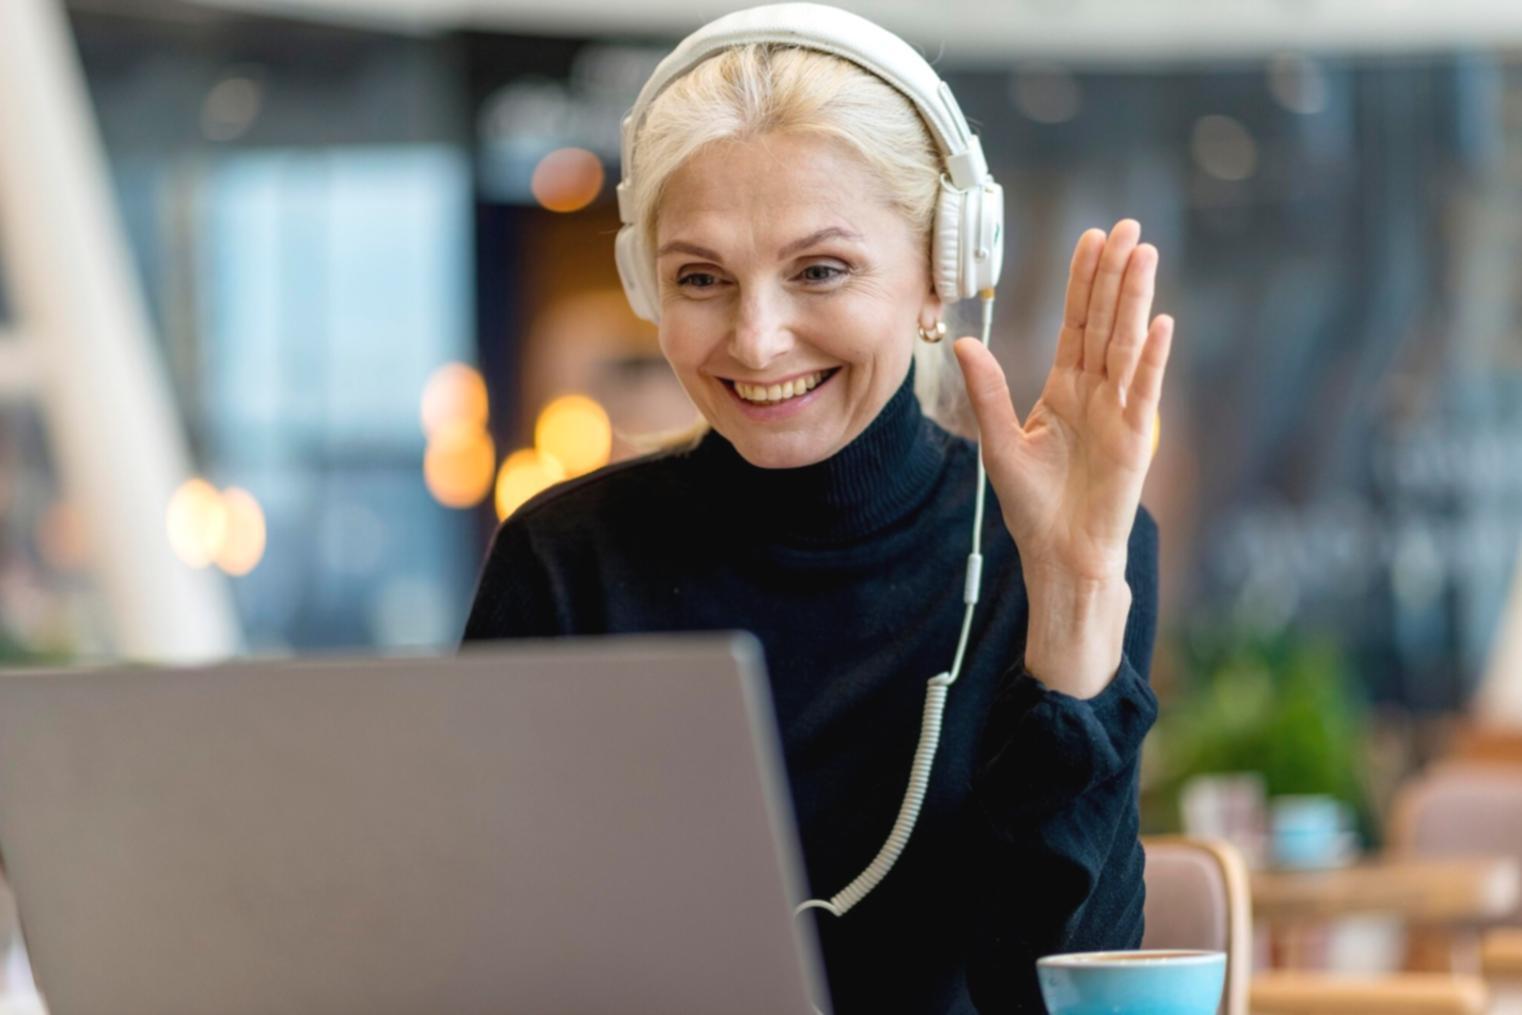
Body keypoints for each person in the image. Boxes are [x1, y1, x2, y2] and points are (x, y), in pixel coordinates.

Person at [463, 5, 1174, 1011]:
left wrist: (1071, 603)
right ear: (646, 284)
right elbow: (483, 951)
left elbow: (1059, 997)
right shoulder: (566, 558)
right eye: (701, 278)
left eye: (821, 269)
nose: (756, 340)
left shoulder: (1063, 546)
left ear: (941, 270)